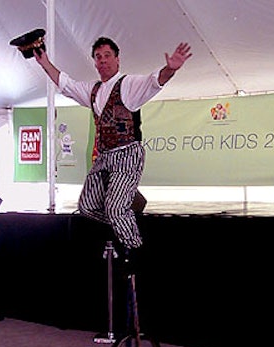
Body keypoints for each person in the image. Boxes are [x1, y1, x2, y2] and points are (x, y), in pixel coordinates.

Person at [34, 36, 192, 265]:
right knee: (86, 207)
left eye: (107, 55)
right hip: (105, 157)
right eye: (98, 57)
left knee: (115, 208)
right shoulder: (94, 90)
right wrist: (45, 62)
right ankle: (129, 205)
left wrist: (170, 69)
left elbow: (154, 80)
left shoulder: (128, 84)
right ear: (95, 63)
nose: (103, 60)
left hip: (127, 153)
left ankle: (135, 253)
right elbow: (66, 84)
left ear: (117, 59)